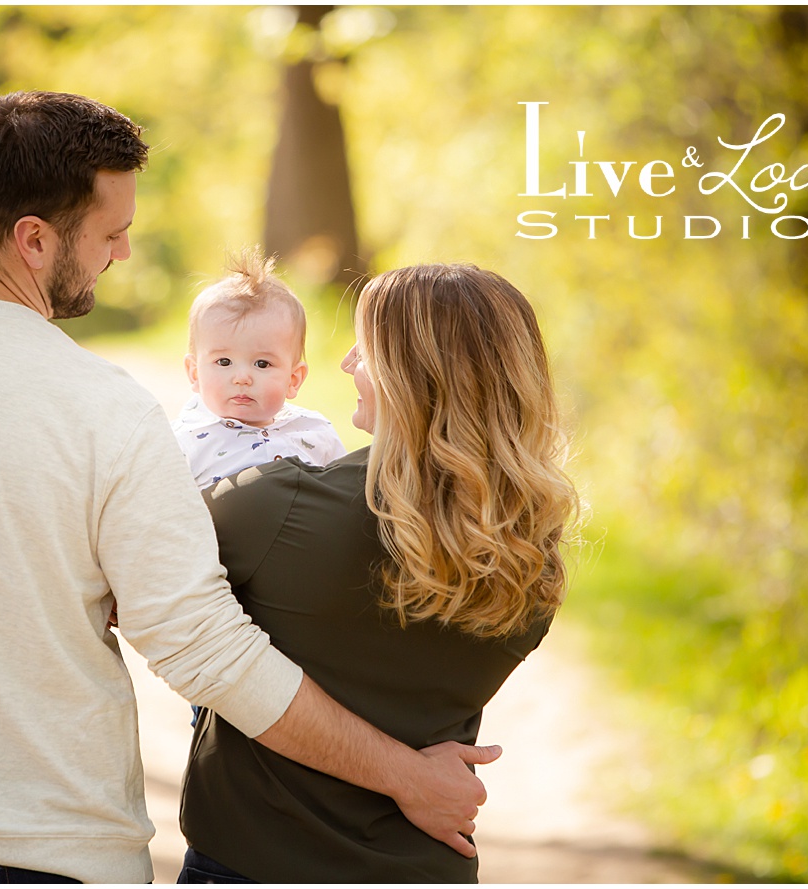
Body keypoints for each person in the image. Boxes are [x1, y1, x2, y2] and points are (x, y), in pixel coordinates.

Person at [0, 91, 498, 885]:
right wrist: (406, 775)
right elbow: (204, 647)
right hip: (55, 856)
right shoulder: (104, 407)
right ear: (33, 239)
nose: (122, 254)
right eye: (111, 234)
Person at [178, 263, 580, 883]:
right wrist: (408, 774)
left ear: (407, 374)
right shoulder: (532, 561)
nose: (345, 364)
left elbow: (144, 603)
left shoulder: (272, 505)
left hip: (255, 862)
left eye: (365, 347)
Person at [172, 248, 345, 489]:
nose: (242, 378)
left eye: (262, 364)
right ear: (194, 373)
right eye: (224, 362)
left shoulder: (315, 433)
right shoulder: (183, 442)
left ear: (293, 379)